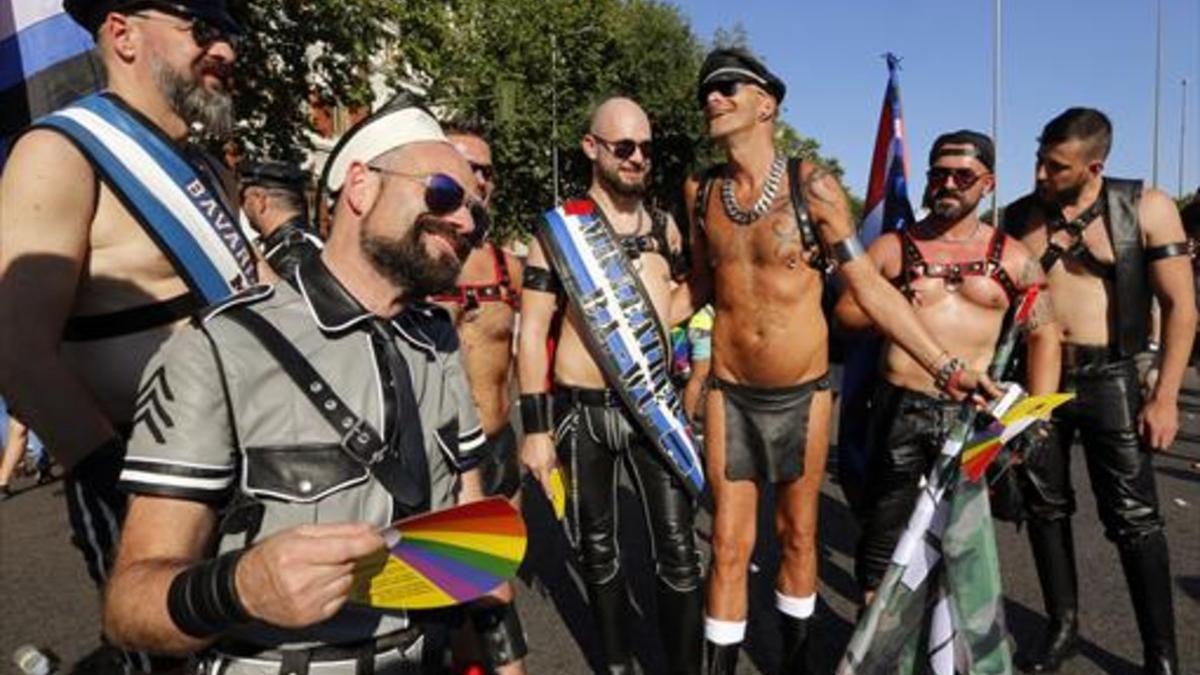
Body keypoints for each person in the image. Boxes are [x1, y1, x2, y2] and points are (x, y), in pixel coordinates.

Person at [103, 101, 493, 673]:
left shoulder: (438, 341)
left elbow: (469, 533)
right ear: (360, 185)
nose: (465, 223)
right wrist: (240, 587)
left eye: (478, 217)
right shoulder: (220, 348)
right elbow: (127, 607)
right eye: (442, 193)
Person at [674, 48, 996, 674]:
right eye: (707, 91)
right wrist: (617, 320)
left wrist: (944, 366)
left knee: (798, 538)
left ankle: (796, 665)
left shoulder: (812, 185)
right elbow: (696, 288)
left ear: (766, 103)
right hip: (731, 395)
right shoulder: (701, 191)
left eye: (728, 87)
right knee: (729, 547)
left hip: (804, 393)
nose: (712, 97)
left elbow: (868, 288)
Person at [0, 0, 250, 670]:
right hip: (143, 483)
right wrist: (114, 478)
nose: (225, 50)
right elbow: (17, 351)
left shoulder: (209, 168)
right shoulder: (59, 153)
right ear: (122, 33)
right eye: (204, 29)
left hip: (249, 478)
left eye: (231, 33)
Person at [1004, 107, 1194, 675]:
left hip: (1111, 374)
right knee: (1044, 507)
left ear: (1095, 166)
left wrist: (1164, 398)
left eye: (1056, 167)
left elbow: (1181, 306)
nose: (1041, 175)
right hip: (1038, 380)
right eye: (1039, 159)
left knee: (1135, 520)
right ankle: (1061, 628)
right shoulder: (1020, 216)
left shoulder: (1145, 207)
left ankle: (1161, 652)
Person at [834, 130, 1058, 602]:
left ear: (988, 183)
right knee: (883, 535)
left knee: (961, 538)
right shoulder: (895, 247)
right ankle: (875, 643)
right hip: (899, 408)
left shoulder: (1015, 258)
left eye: (962, 175)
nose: (948, 184)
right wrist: (892, 302)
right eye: (939, 174)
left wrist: (1037, 418)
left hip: (971, 416)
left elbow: (1043, 336)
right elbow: (846, 316)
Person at [519, 97, 701, 675]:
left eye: (646, 148)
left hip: (652, 404)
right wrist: (535, 430)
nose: (638, 158)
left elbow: (669, 308)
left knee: (679, 553)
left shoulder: (666, 226)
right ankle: (617, 664)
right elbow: (532, 335)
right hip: (584, 414)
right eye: (625, 147)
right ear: (591, 148)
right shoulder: (557, 232)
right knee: (597, 552)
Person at [431, 124, 528, 674]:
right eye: (469, 166)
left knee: (492, 581)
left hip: (497, 444)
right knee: (467, 585)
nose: (481, 179)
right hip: (440, 454)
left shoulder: (506, 267)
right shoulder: (413, 262)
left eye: (488, 170)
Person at [239, 160, 322, 279]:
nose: (243, 206)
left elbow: (289, 297)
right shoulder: (285, 247)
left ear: (260, 201)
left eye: (244, 198)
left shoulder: (299, 252)